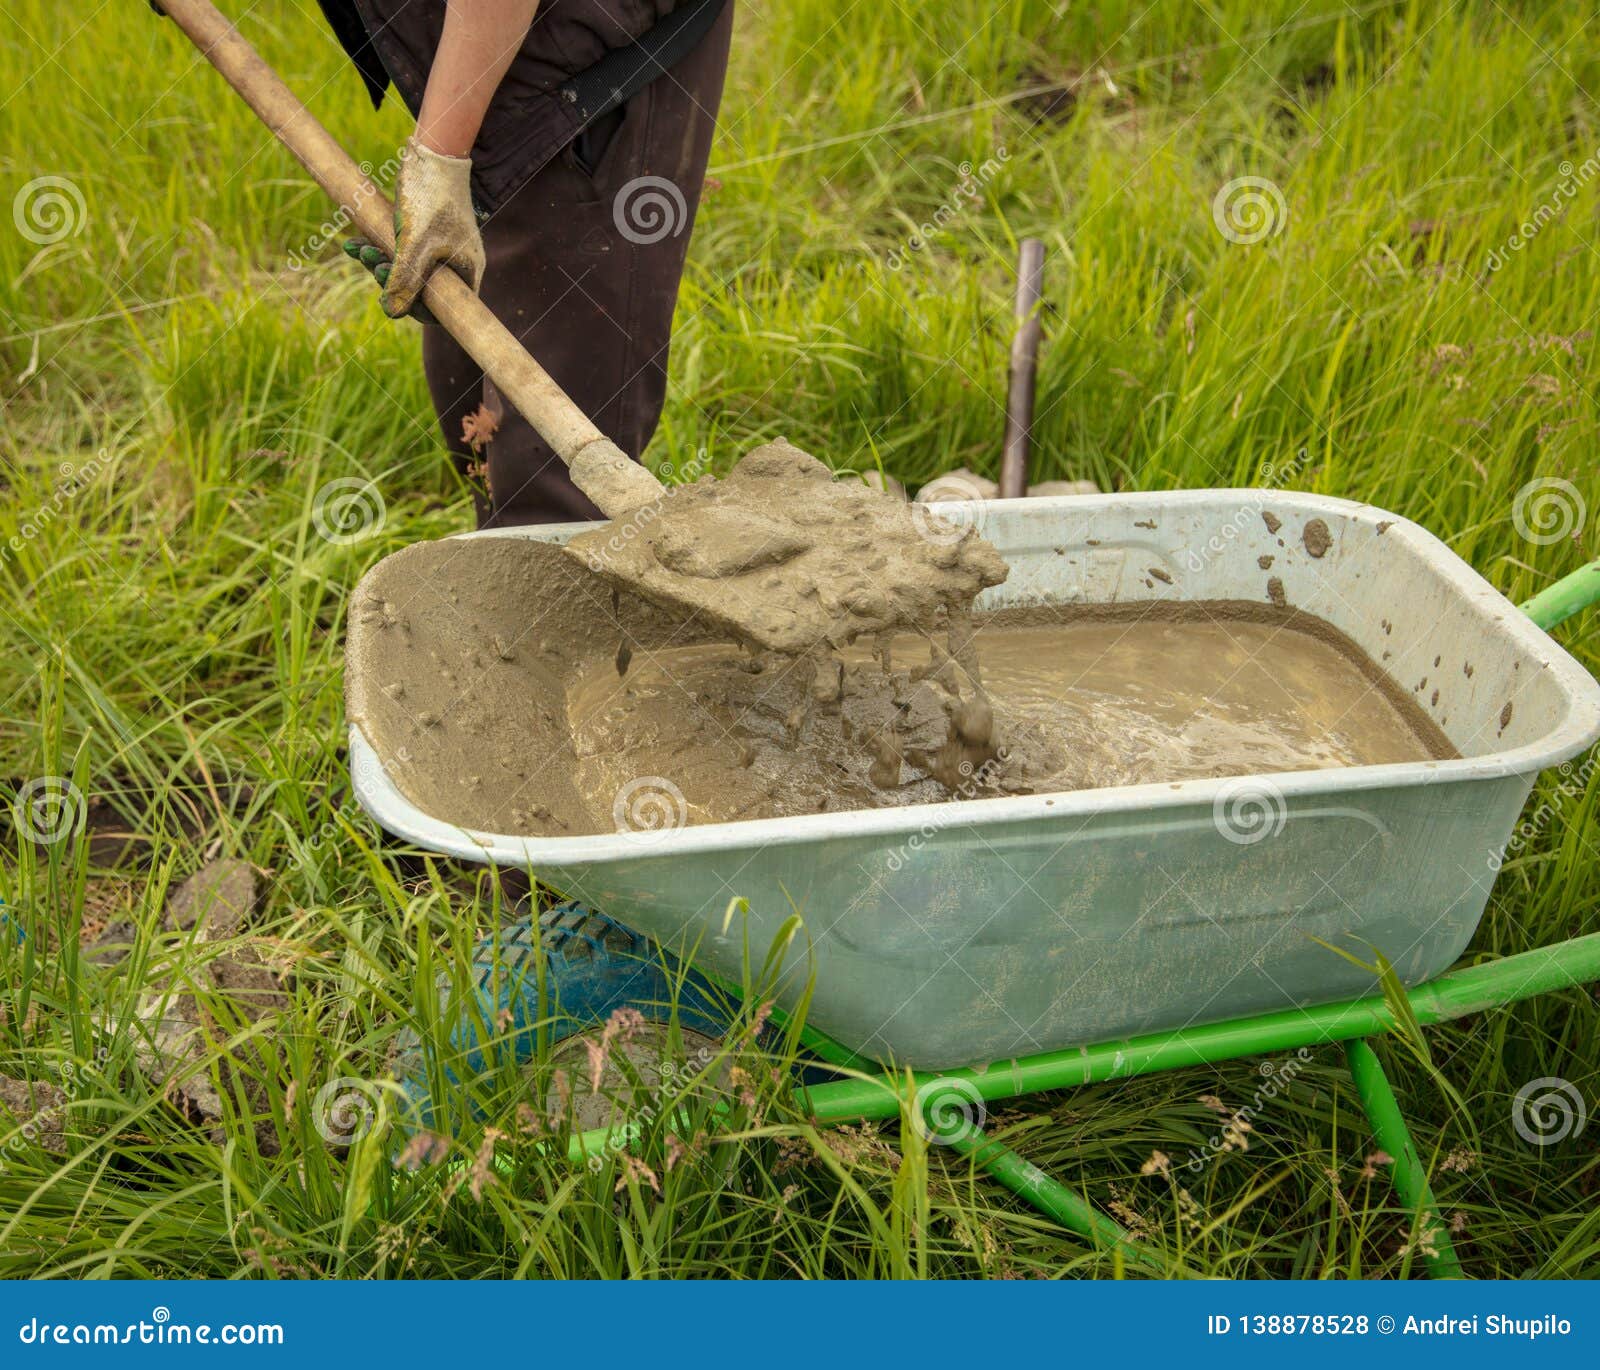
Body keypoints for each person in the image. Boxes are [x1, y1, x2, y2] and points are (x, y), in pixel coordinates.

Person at [316, 0, 733, 526]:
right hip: (495, 73)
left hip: (592, 80)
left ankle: (570, 582)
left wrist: (440, 158)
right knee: (474, 425)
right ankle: (510, 554)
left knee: (553, 482)